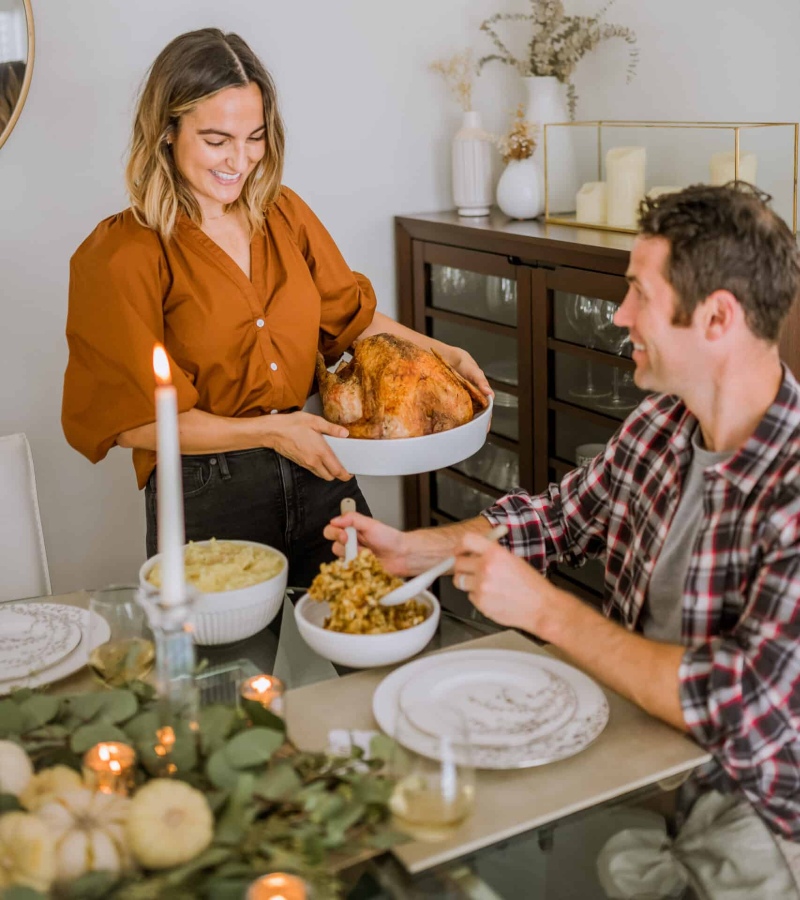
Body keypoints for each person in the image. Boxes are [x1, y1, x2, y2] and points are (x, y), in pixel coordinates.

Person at [327, 183, 800, 852]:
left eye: (640, 293)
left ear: (717, 318)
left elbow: (737, 705)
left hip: (757, 824)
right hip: (636, 766)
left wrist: (545, 612)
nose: (617, 315)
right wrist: (416, 550)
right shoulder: (663, 424)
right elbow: (553, 519)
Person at [61, 28, 490, 588]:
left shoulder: (284, 214)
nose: (240, 161)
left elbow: (350, 323)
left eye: (255, 137)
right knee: (228, 676)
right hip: (209, 497)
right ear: (166, 131)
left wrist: (443, 354)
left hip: (318, 469)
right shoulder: (122, 253)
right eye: (217, 140)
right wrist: (271, 433)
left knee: (379, 636)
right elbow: (134, 423)